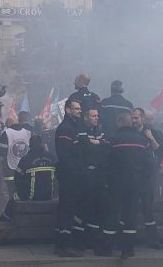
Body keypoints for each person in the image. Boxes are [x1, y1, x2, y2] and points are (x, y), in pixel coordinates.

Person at [97, 111, 153, 259]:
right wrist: (140, 180)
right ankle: (127, 249)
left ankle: (106, 248)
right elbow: (149, 165)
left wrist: (107, 181)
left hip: (116, 185)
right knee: (130, 216)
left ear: (119, 123)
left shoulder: (112, 140)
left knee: (112, 214)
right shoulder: (142, 141)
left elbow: (104, 162)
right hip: (135, 185)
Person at [74, 107, 110, 250]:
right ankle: (80, 239)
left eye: (97, 116)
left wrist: (97, 143)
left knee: (96, 208)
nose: (97, 118)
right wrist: (95, 144)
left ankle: (92, 238)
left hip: (98, 176)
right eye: (93, 116)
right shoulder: (81, 129)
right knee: (83, 208)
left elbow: (105, 146)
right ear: (86, 118)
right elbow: (85, 147)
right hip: (84, 176)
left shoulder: (98, 131)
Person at [0, 134, 56, 222]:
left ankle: (4, 220)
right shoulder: (52, 157)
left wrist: (22, 189)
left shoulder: (26, 159)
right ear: (41, 144)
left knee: (13, 200)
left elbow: (17, 178)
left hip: (31, 196)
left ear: (30, 145)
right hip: (50, 195)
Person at [54, 99, 85, 257]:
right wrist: (75, 172)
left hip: (72, 175)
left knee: (69, 209)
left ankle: (64, 242)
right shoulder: (66, 129)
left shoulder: (73, 127)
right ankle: (63, 245)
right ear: (67, 110)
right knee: (67, 209)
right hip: (69, 177)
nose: (80, 110)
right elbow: (66, 156)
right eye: (76, 108)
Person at [132, 107, 163, 249]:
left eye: (136, 118)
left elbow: (159, 150)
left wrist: (150, 137)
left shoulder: (153, 132)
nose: (134, 121)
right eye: (132, 118)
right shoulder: (130, 132)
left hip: (147, 176)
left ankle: (153, 240)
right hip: (133, 176)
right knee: (131, 209)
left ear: (142, 118)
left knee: (148, 209)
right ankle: (129, 241)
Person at [0, 111, 33, 197]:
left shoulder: (6, 133)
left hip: (10, 168)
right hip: (25, 167)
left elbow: (1, 151)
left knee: (11, 191)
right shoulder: (28, 132)